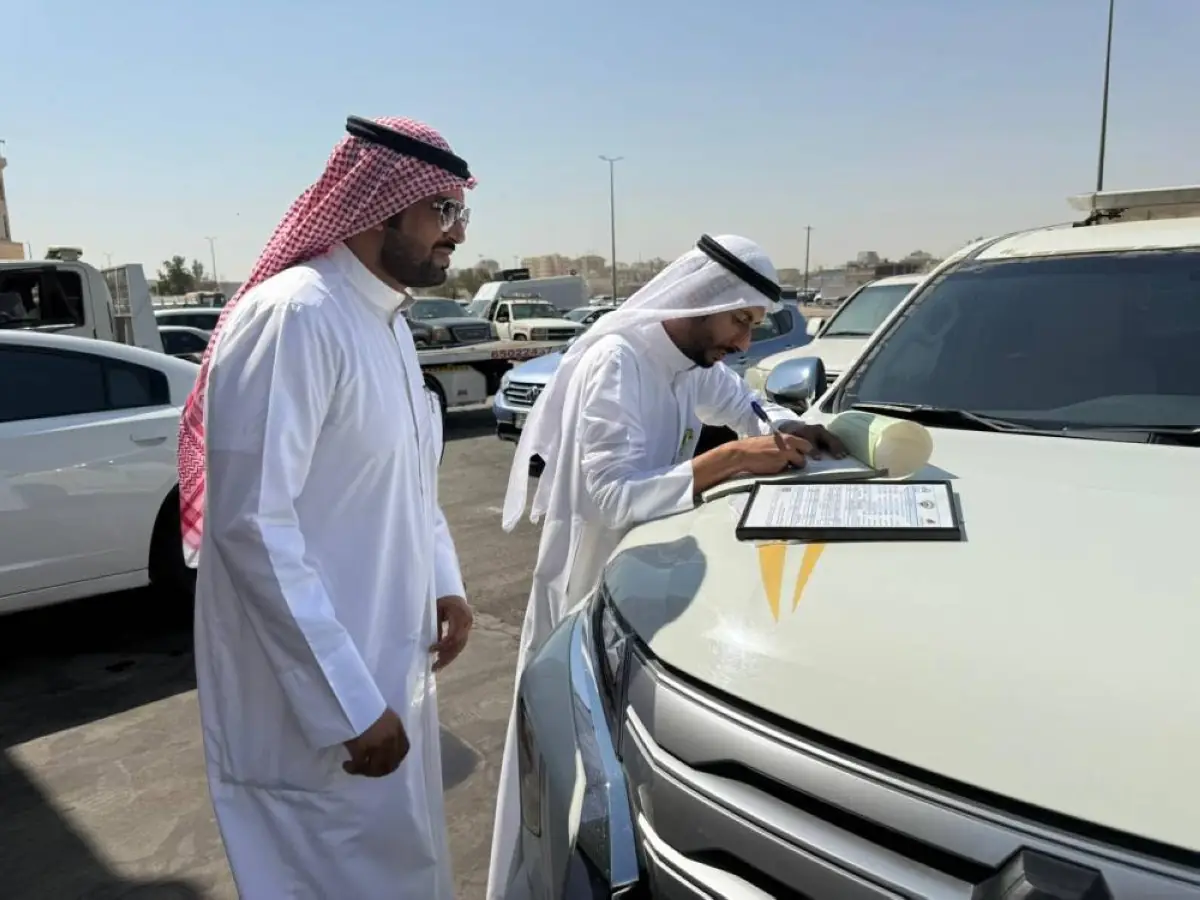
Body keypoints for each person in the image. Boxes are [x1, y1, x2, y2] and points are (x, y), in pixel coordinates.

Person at [486, 234, 846, 898]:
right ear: (702, 300)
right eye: (739, 320)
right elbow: (610, 496)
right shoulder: (619, 362)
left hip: (643, 594)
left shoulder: (689, 364)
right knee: (567, 794)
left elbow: (746, 409)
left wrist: (790, 429)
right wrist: (731, 462)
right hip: (582, 591)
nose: (743, 342)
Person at [177, 115, 476, 899]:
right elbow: (252, 526)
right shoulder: (298, 316)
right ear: (384, 205)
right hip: (314, 705)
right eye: (442, 210)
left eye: (460, 214)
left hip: (387, 660)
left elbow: (408, 479)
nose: (457, 235)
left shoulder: (388, 323)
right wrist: (344, 701)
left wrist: (446, 582)